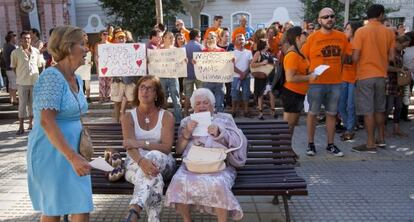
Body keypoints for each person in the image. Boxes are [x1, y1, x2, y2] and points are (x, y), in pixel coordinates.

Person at [27, 25, 93, 222]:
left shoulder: (78, 79)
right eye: (82, 44)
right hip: (53, 152)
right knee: (54, 209)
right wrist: (72, 157)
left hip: (74, 153)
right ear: (67, 47)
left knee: (81, 204)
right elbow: (46, 121)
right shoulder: (51, 77)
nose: (87, 49)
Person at [165, 88, 247, 222]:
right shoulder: (187, 122)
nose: (202, 106)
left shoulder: (224, 118)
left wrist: (221, 133)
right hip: (192, 165)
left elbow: (239, 141)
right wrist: (187, 133)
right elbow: (179, 150)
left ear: (213, 105)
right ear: (193, 107)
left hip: (219, 166)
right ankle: (187, 220)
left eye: (205, 103)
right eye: (198, 104)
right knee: (178, 181)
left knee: (218, 184)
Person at [121, 75, 176, 222]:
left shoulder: (166, 116)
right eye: (142, 87)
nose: (145, 91)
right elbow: (129, 147)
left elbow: (165, 147)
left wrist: (141, 144)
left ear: (156, 94)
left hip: (164, 161)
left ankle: (135, 208)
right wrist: (141, 162)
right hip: (135, 163)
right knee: (154, 176)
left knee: (153, 157)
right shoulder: (128, 117)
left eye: (149, 88)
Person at [302, 8, 348, 157]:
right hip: (316, 83)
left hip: (335, 82)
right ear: (319, 20)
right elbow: (303, 57)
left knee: (332, 114)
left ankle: (330, 144)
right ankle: (310, 144)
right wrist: (310, 72)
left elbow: (344, 57)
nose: (329, 19)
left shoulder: (341, 37)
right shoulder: (312, 38)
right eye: (326, 16)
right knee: (313, 113)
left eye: (332, 16)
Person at [352, 4, 396, 152]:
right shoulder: (389, 32)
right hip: (381, 75)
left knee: (368, 111)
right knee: (379, 110)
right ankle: (381, 139)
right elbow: (391, 57)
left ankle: (370, 143)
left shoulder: (361, 31)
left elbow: (356, 56)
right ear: (381, 15)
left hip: (365, 75)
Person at [281, 26, 316, 135]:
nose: (305, 35)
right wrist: (309, 77)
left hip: (297, 94)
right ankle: (282, 149)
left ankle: (286, 149)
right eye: (303, 33)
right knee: (288, 126)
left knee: (291, 125)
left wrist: (310, 73)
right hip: (292, 94)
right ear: (297, 37)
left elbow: (301, 71)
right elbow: (290, 77)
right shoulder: (292, 55)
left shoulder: (299, 52)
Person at [11, 31, 43, 135]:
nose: (27, 40)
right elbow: (14, 67)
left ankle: (31, 124)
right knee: (22, 105)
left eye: (28, 38)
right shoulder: (15, 53)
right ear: (21, 40)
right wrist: (20, 76)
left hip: (34, 82)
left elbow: (39, 66)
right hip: (22, 83)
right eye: (24, 38)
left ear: (31, 39)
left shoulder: (36, 51)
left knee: (33, 104)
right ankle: (21, 126)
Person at [338, 21, 362, 141]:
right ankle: (348, 126)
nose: (345, 31)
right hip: (343, 78)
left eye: (347, 29)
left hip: (354, 79)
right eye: (345, 29)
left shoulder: (358, 45)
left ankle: (350, 129)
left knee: (351, 106)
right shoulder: (344, 43)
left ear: (354, 31)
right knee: (341, 105)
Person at [385, 35, 411, 137]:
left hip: (398, 83)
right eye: (404, 45)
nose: (405, 47)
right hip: (390, 82)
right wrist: (398, 69)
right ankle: (383, 128)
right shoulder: (390, 51)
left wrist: (403, 68)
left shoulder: (400, 52)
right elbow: (385, 67)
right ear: (399, 42)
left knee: (399, 106)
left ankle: (396, 129)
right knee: (389, 106)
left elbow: (399, 65)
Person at [110, 30, 138, 122]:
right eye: (119, 38)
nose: (121, 39)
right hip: (117, 80)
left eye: (123, 38)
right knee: (117, 103)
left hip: (129, 80)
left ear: (126, 39)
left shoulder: (132, 49)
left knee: (133, 102)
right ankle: (116, 122)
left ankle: (136, 122)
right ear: (116, 39)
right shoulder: (111, 50)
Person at [158, 31, 183, 122]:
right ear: (164, 38)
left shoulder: (177, 50)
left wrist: (184, 61)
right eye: (170, 37)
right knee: (162, 99)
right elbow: (154, 63)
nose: (172, 39)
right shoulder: (159, 50)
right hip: (162, 77)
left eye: (173, 37)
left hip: (173, 77)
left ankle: (178, 120)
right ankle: (164, 120)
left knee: (176, 99)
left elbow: (181, 63)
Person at [250, 38, 277, 120]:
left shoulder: (268, 53)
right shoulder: (258, 53)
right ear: (264, 45)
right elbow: (252, 64)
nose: (268, 44)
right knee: (260, 95)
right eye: (267, 43)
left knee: (272, 94)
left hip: (269, 77)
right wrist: (262, 63)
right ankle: (260, 113)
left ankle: (273, 111)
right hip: (261, 77)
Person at [200, 32, 226, 112]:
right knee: (207, 102)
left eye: (212, 38)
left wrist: (231, 61)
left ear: (217, 39)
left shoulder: (222, 51)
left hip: (219, 81)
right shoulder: (203, 52)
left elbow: (227, 65)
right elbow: (200, 66)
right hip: (207, 81)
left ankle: (219, 121)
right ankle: (208, 120)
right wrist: (195, 62)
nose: (210, 40)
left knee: (219, 103)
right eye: (208, 38)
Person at [231, 33, 252, 117]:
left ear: (245, 41)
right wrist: (241, 73)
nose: (241, 41)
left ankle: (246, 111)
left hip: (246, 77)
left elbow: (251, 65)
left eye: (242, 39)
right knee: (234, 94)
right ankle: (233, 111)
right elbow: (231, 66)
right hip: (236, 76)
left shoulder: (249, 52)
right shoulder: (232, 52)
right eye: (239, 39)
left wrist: (245, 73)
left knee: (246, 94)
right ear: (236, 41)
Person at [184, 29, 203, 116]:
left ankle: (186, 113)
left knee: (188, 96)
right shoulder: (200, 47)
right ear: (196, 37)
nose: (200, 38)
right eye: (199, 36)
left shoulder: (184, 47)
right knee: (201, 95)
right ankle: (200, 113)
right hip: (199, 75)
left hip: (187, 74)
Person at [95, 30, 111, 103]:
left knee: (109, 83)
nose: (105, 36)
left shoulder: (110, 44)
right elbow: (95, 56)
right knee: (102, 83)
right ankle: (101, 97)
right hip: (101, 66)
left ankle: (107, 96)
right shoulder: (98, 45)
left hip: (109, 66)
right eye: (104, 34)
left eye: (107, 34)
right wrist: (97, 67)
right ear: (100, 35)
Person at [76, 32, 93, 103]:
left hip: (86, 67)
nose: (86, 38)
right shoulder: (77, 46)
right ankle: (81, 98)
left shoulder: (90, 46)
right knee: (79, 84)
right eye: (84, 36)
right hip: (79, 67)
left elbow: (91, 57)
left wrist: (92, 63)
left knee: (87, 84)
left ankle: (88, 98)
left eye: (86, 36)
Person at [2, 31, 18, 105]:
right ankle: (14, 100)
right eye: (14, 38)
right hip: (12, 68)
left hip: (7, 68)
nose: (16, 40)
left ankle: (11, 98)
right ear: (11, 38)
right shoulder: (12, 47)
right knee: (14, 84)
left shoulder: (5, 45)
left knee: (11, 84)